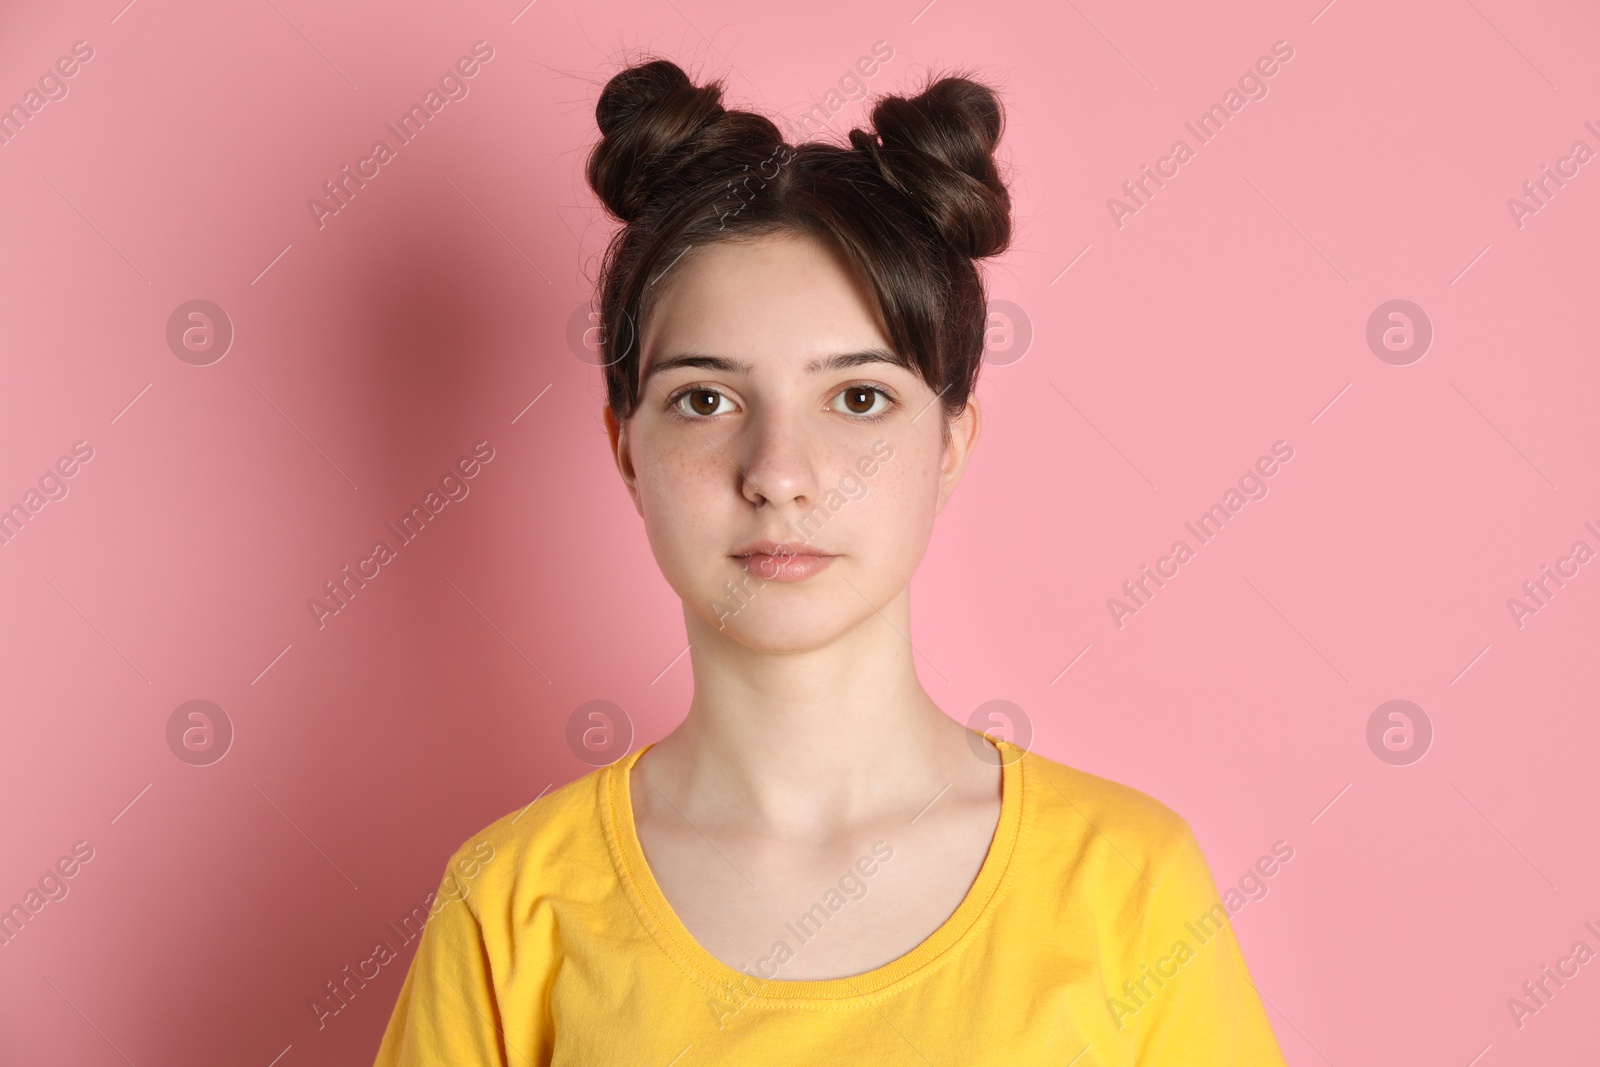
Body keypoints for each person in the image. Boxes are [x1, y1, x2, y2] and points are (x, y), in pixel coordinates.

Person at [372, 56, 1287, 1066]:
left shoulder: (1127, 878)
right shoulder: (508, 905)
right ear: (625, 447)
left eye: (857, 398)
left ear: (948, 445)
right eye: (705, 398)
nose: (778, 473)